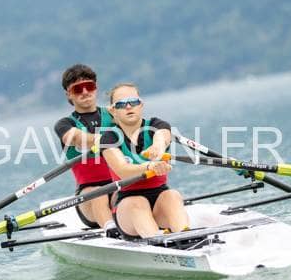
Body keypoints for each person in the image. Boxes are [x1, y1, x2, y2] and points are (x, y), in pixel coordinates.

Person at [99, 82, 190, 238]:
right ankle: (157, 241)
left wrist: (158, 147)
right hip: (127, 205)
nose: (128, 107)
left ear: (141, 104)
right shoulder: (109, 138)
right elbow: (122, 170)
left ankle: (187, 237)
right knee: (137, 203)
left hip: (160, 201)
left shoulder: (156, 125)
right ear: (113, 110)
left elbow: (162, 137)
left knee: (172, 195)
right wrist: (149, 166)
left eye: (133, 102)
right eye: (121, 104)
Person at [53, 64, 117, 234]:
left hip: (119, 186)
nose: (84, 92)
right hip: (88, 196)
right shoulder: (65, 124)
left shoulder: (114, 114)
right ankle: (110, 229)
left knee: (132, 193)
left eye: (89, 86)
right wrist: (111, 138)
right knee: (98, 193)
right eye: (77, 89)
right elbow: (76, 139)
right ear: (69, 94)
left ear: (96, 88)